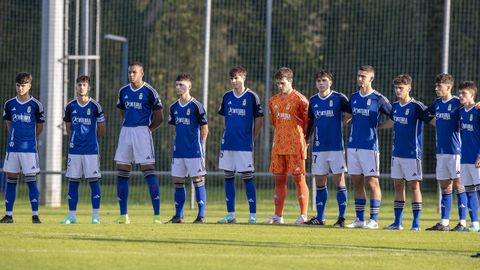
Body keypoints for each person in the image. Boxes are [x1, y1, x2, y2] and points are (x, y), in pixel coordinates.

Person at [379, 74, 432, 231]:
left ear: (409, 88)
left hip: (412, 154)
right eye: (396, 87)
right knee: (398, 186)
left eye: (401, 87)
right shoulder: (395, 106)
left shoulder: (417, 106)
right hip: (397, 154)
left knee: (414, 187)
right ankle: (398, 222)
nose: (397, 90)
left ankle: (416, 223)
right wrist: (379, 126)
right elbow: (393, 121)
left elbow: (433, 120)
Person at [114, 62, 163, 224]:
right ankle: (123, 215)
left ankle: (156, 216)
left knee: (148, 170)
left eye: (134, 72)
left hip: (142, 132)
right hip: (126, 131)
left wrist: (148, 129)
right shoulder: (123, 91)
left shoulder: (150, 92)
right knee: (122, 171)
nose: (131, 75)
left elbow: (159, 117)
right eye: (129, 72)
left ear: (142, 73)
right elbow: (122, 111)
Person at [345, 65, 392, 229]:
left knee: (372, 183)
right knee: (357, 183)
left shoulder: (379, 98)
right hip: (353, 146)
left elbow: (395, 115)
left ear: (371, 78)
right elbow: (349, 116)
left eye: (363, 77)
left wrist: (381, 126)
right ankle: (359, 219)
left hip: (370, 147)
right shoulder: (353, 97)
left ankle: (374, 220)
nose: (359, 79)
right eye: (358, 76)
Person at [217, 66, 263, 224]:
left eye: (236, 78)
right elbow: (224, 118)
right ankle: (231, 215)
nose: (233, 81)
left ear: (244, 78)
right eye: (231, 78)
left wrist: (251, 137)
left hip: (244, 145)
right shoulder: (226, 96)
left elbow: (259, 119)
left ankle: (253, 215)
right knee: (228, 177)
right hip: (228, 143)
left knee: (247, 177)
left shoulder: (252, 97)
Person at [264, 67, 310, 225]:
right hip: (278, 145)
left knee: (299, 179)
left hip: (295, 145)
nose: (279, 86)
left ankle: (303, 215)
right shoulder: (273, 101)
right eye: (277, 83)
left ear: (290, 81)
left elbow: (308, 124)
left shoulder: (301, 100)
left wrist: (305, 141)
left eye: (282, 83)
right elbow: (274, 122)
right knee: (279, 180)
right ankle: (278, 216)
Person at [305, 69, 350, 227]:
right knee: (320, 182)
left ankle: (342, 218)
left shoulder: (339, 98)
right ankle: (320, 217)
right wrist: (307, 139)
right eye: (318, 81)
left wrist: (343, 122)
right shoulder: (313, 100)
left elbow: (351, 112)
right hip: (319, 148)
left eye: (324, 80)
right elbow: (310, 122)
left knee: (340, 182)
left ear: (330, 82)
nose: (321, 83)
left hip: (336, 147)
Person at [425, 74, 468, 231]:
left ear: (448, 87)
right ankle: (444, 222)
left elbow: (470, 113)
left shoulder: (458, 103)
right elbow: (424, 114)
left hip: (456, 151)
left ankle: (463, 223)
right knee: (445, 186)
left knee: (459, 185)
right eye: (436, 86)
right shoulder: (437, 103)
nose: (436, 89)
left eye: (439, 86)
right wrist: (436, 122)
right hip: (441, 151)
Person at [60, 75, 105, 224]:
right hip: (75, 150)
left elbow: (101, 129)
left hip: (91, 150)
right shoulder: (70, 106)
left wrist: (92, 140)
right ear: (76, 87)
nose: (81, 87)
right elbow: (68, 127)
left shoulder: (95, 106)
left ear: (89, 87)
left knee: (93, 182)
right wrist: (75, 138)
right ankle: (72, 216)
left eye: (84, 85)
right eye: (79, 84)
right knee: (73, 182)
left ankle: (95, 217)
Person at [0, 72, 44, 224]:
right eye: (18, 85)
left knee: (31, 181)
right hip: (12, 149)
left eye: (23, 85)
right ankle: (9, 215)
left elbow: (40, 127)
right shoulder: (9, 104)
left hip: (29, 150)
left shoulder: (36, 105)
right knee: (11, 180)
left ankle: (35, 215)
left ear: (29, 86)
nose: (20, 88)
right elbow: (8, 123)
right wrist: (14, 137)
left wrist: (29, 138)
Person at [166, 73, 208, 224]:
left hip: (194, 151)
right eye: (177, 85)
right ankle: (179, 216)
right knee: (178, 181)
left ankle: (201, 216)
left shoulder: (196, 106)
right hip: (179, 151)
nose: (178, 87)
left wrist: (200, 146)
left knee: (197, 180)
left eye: (181, 85)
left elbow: (204, 129)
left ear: (189, 86)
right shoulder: (173, 107)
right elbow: (176, 129)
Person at [457, 81, 480, 232]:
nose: (460, 96)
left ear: (472, 95)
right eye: (459, 93)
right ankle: (475, 224)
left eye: (463, 93)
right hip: (464, 157)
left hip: (476, 158)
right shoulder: (460, 111)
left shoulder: (478, 110)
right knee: (470, 190)